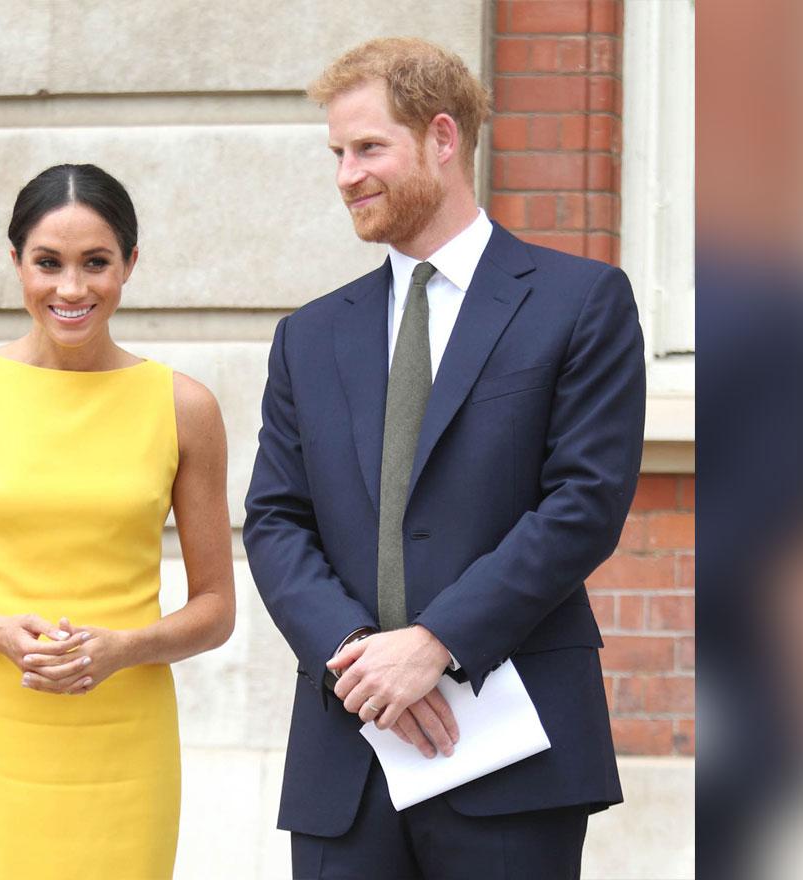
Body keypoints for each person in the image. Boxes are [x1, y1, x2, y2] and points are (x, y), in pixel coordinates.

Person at [244, 38, 645, 878]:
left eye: (367, 148)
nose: (345, 175)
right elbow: (277, 519)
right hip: (345, 758)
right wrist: (358, 654)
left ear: (440, 138)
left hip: (512, 754)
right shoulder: (309, 336)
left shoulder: (580, 303)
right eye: (337, 155)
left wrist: (435, 643)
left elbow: (585, 503)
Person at [0, 163, 236, 879]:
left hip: (124, 748)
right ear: (15, 264)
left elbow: (216, 608)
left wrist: (126, 647)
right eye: (48, 263)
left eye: (96, 263)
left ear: (130, 265)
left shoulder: (184, 408)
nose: (71, 288)